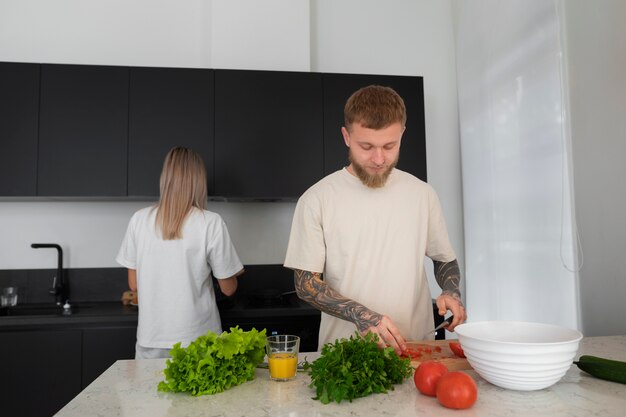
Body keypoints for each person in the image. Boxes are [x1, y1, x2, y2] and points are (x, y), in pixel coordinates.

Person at [284, 85, 466, 354]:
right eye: (366, 146)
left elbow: (444, 259)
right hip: (345, 355)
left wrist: (451, 292)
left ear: (402, 134)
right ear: (346, 136)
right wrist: (363, 315)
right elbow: (306, 285)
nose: (379, 158)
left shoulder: (422, 194)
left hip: (415, 348)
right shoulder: (316, 199)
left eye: (389, 146)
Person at [116, 146, 244, 359]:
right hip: (199, 339)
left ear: (165, 178)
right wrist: (232, 274)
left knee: (149, 392)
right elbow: (228, 289)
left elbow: (134, 284)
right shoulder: (210, 222)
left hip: (151, 339)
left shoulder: (139, 219)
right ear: (198, 181)